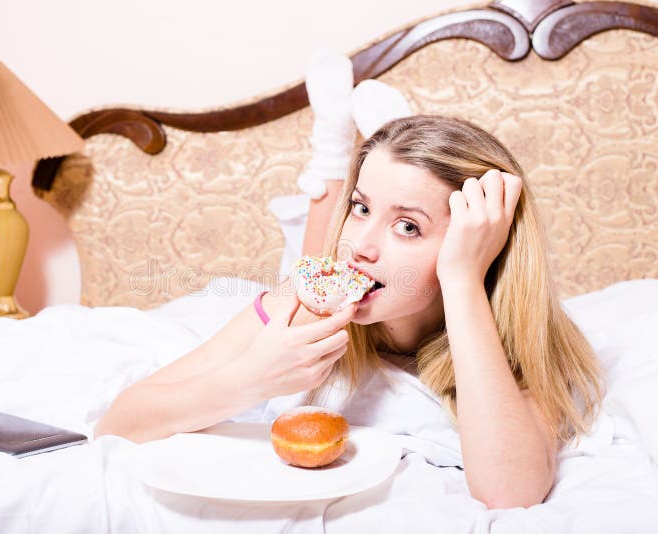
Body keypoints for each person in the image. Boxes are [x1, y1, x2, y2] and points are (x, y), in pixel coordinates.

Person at [95, 51, 603, 510]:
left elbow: (510, 493)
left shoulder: (519, 346)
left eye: (408, 225)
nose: (359, 243)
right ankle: (336, 153)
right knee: (309, 265)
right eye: (360, 207)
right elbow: (118, 424)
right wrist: (252, 378)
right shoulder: (295, 307)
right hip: (311, 288)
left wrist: (463, 280)